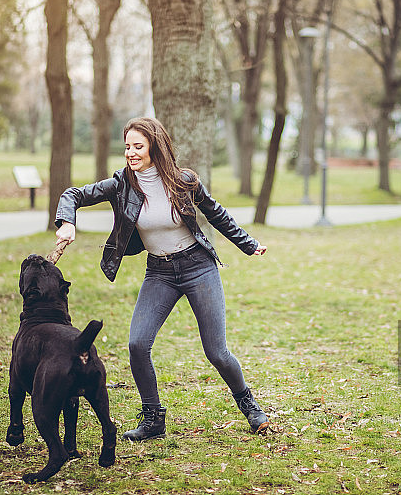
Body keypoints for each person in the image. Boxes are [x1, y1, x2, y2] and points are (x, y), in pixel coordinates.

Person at [54, 117, 269, 441]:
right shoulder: (121, 183)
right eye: (127, 146)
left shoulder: (184, 181)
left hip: (198, 267)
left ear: (155, 146)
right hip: (160, 272)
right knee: (138, 344)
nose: (130, 152)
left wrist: (248, 244)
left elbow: (216, 213)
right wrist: (66, 222)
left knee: (216, 351)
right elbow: (74, 194)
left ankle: (250, 405)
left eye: (137, 146)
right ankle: (153, 419)